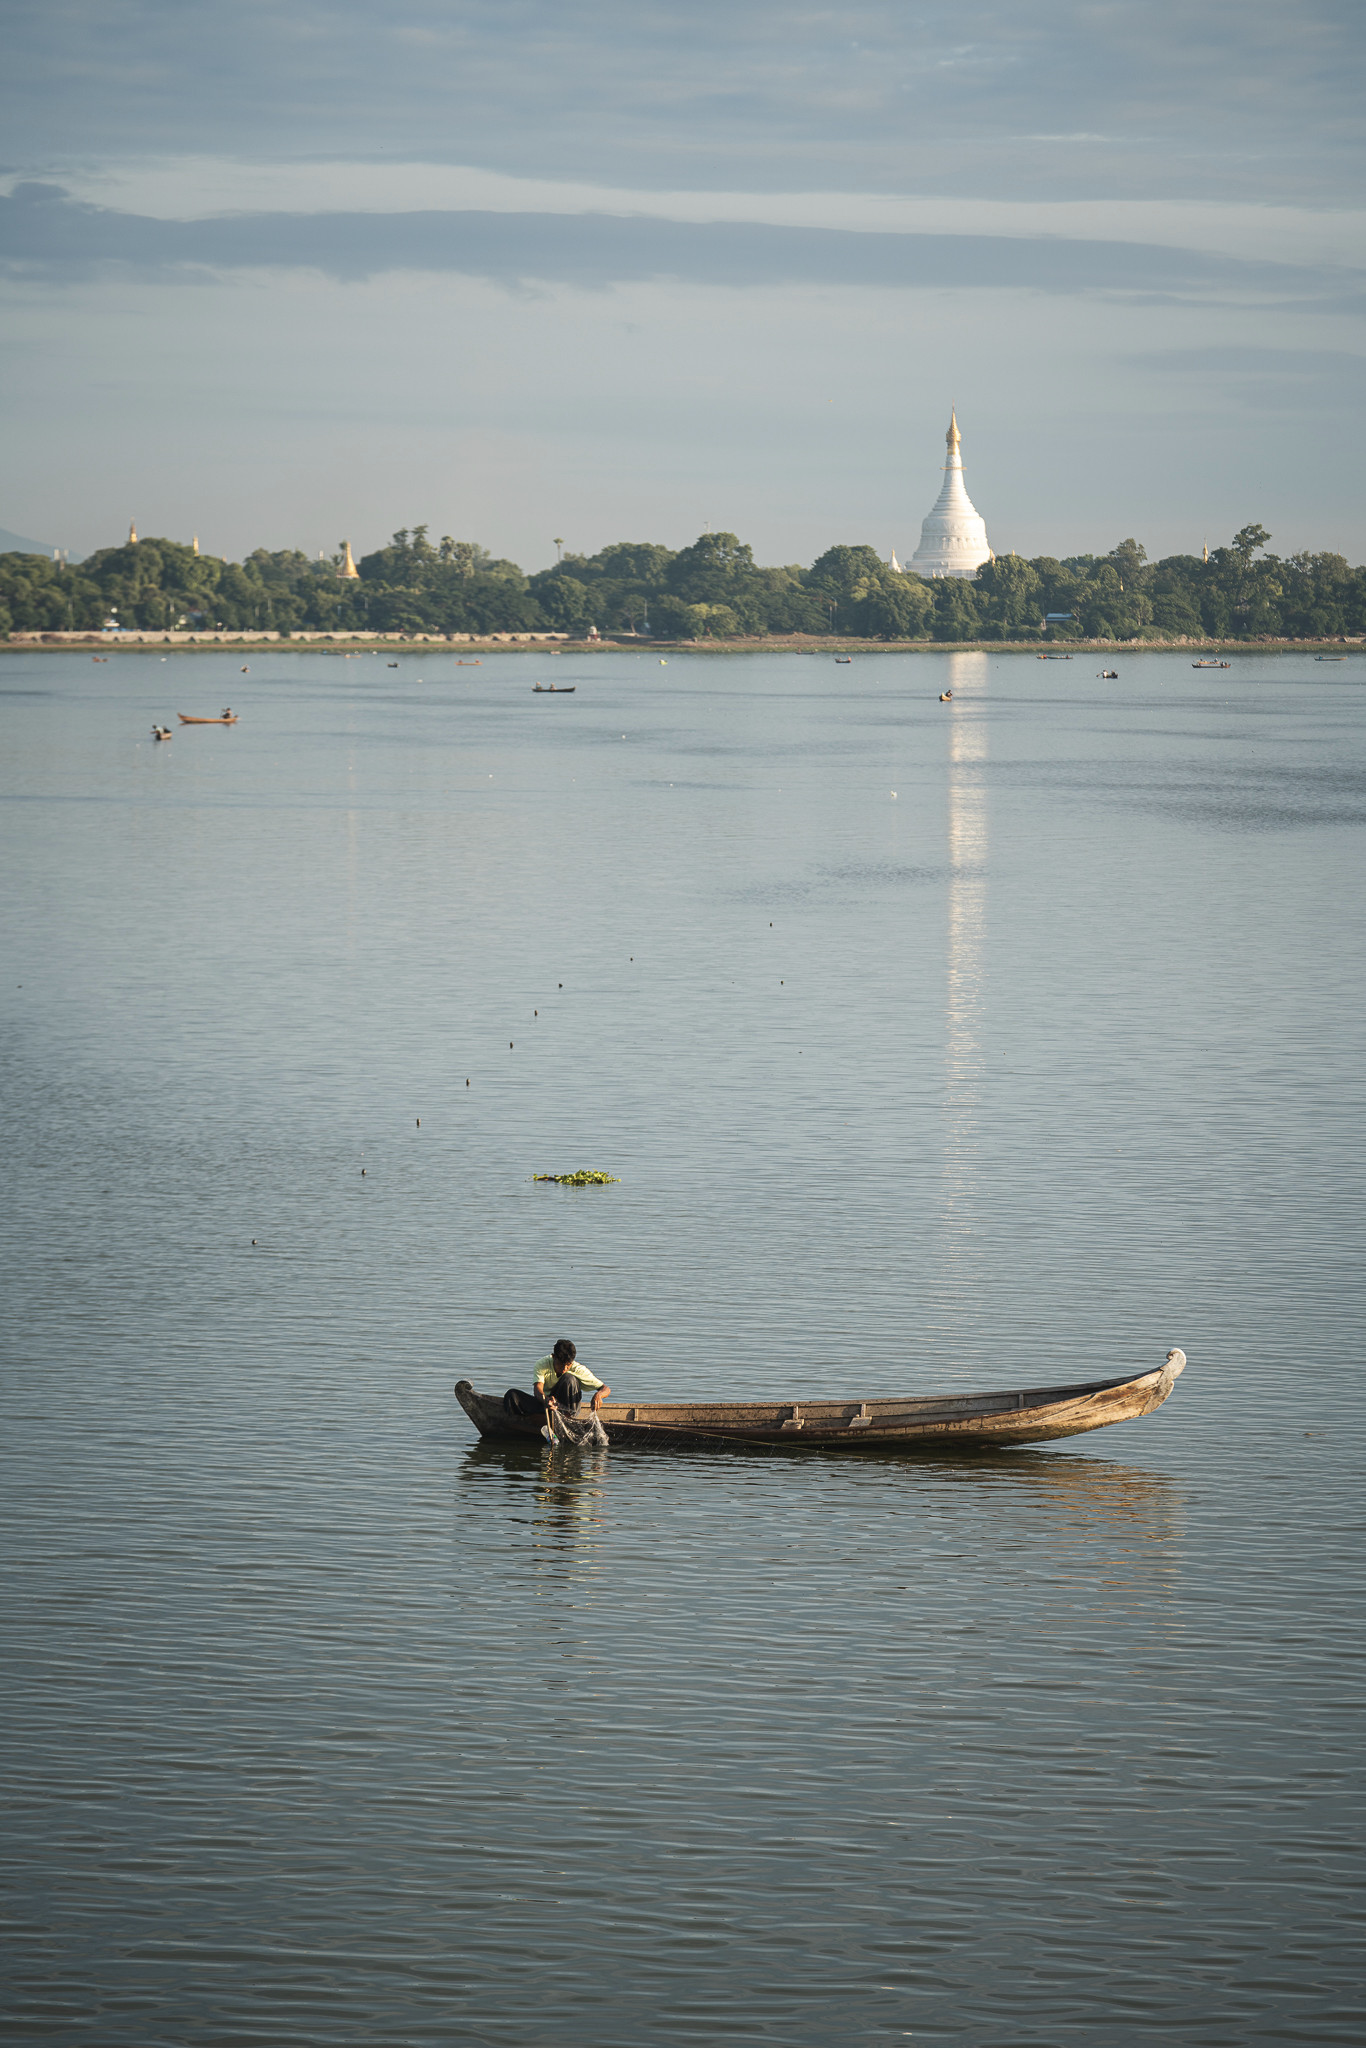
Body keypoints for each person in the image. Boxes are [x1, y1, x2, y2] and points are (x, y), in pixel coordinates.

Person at [503, 1338, 610, 1424]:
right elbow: (537, 1388)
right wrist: (546, 1400)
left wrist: (599, 1395)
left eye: (568, 1365)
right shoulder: (542, 1364)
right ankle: (538, 1419)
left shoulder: (578, 1369)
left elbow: (605, 1389)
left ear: (571, 1363)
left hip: (566, 1410)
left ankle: (566, 1420)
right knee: (512, 1395)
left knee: (569, 1378)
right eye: (561, 1365)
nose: (564, 1369)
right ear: (553, 1357)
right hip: (547, 1405)